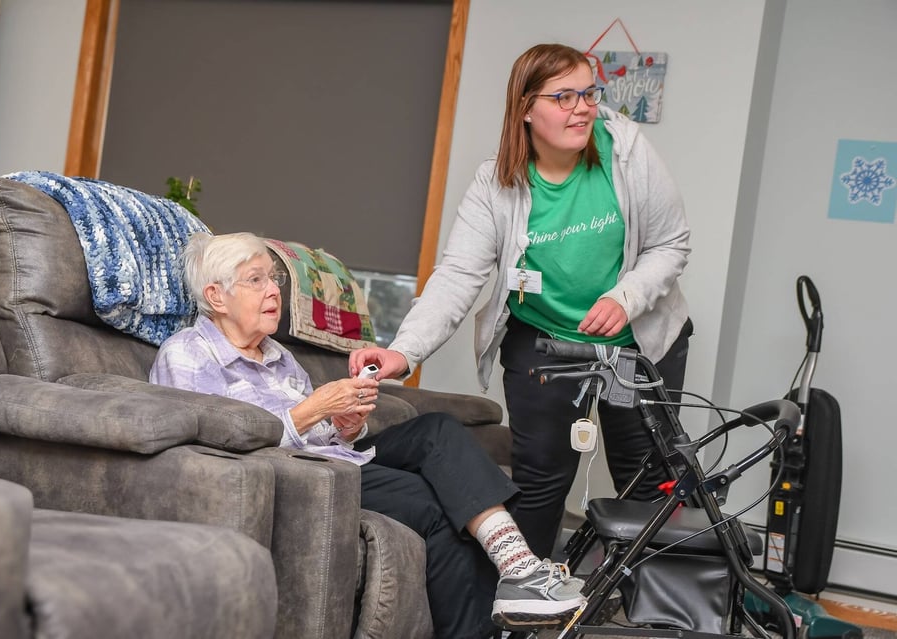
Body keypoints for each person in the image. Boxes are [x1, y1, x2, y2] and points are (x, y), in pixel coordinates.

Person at [149, 231, 590, 637]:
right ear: (216, 296)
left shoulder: (279, 356)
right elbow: (212, 439)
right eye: (255, 280)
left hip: (337, 458)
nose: (274, 290)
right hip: (299, 476)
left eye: (274, 279)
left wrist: (345, 423)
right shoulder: (188, 352)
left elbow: (326, 431)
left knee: (437, 430)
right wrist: (313, 409)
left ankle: (519, 569)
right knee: (436, 505)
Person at [348, 43, 693, 561]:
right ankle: (524, 608)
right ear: (526, 108)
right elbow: (460, 275)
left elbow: (671, 243)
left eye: (589, 92)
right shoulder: (496, 184)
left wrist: (627, 298)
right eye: (564, 96)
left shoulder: (623, 149)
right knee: (539, 484)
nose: (582, 107)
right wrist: (405, 350)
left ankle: (645, 608)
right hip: (547, 345)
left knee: (646, 483)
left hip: (639, 342)